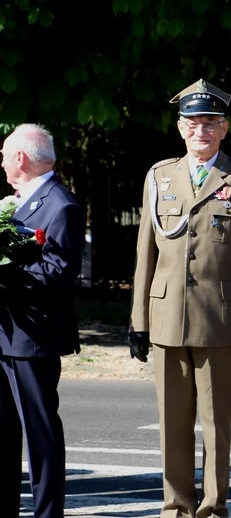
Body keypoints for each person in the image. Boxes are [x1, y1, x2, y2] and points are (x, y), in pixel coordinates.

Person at [129, 79, 231, 518]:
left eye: (211, 123)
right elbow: (144, 254)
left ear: (224, 128)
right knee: (173, 425)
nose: (201, 131)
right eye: (193, 123)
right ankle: (175, 506)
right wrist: (138, 321)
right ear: (180, 128)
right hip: (166, 316)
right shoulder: (159, 176)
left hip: (221, 320)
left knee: (216, 426)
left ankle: (212, 507)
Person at [0, 124, 84, 518]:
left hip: (32, 337)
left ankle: (48, 512)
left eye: (4, 154)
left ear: (21, 158)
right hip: (5, 333)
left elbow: (58, 272)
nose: (1, 162)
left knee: (39, 433)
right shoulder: (16, 202)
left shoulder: (60, 204)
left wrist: (3, 273)